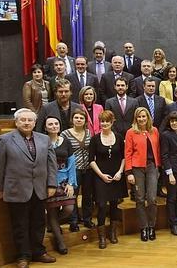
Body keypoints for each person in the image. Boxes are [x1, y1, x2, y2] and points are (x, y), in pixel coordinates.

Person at [0, 108, 58, 267]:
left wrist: (52, 184)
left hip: (39, 189)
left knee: (39, 223)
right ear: (16, 122)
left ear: (35, 123)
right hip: (16, 189)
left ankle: (39, 252)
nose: (26, 123)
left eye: (30, 120)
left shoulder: (44, 139)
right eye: (23, 120)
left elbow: (51, 164)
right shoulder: (4, 140)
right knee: (20, 224)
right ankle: (23, 256)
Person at [89, 111, 127, 249]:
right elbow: (91, 161)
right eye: (102, 121)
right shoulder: (95, 139)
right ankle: (102, 237)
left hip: (116, 175)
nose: (104, 124)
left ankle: (112, 233)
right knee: (101, 205)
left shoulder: (118, 136)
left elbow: (124, 156)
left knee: (114, 205)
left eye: (107, 121)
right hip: (101, 176)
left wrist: (120, 172)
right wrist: (101, 175)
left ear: (112, 122)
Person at [124, 107, 161, 242]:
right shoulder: (130, 132)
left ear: (148, 117)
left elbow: (158, 150)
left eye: (144, 116)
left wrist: (159, 167)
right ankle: (143, 227)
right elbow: (127, 153)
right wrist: (129, 172)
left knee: (152, 198)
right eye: (139, 117)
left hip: (152, 167)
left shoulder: (154, 130)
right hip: (137, 168)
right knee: (139, 199)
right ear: (135, 118)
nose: (141, 119)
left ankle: (152, 226)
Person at [42, 116, 76, 255]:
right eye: (50, 124)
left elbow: (72, 163)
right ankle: (60, 242)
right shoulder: (42, 142)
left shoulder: (66, 141)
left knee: (68, 209)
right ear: (45, 127)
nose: (54, 126)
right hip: (48, 181)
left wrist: (71, 183)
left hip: (64, 180)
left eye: (56, 123)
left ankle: (51, 223)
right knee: (52, 211)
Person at [61, 109, 95, 231]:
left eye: (81, 118)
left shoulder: (89, 133)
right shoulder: (65, 134)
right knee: (72, 196)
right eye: (76, 118)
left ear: (85, 120)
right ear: (72, 119)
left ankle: (87, 219)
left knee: (87, 196)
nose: (79, 120)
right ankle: (73, 221)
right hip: (73, 170)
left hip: (88, 169)